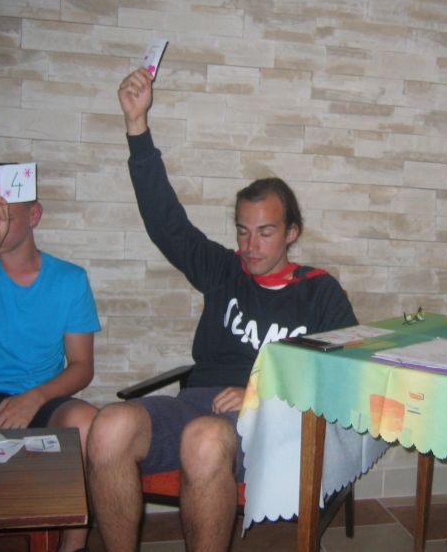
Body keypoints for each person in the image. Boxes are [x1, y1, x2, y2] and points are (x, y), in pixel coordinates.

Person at [87, 67, 357, 552]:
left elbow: (344, 373)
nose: (251, 246)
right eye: (243, 231)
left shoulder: (319, 291)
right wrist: (136, 126)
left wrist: (262, 389)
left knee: (205, 438)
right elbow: (166, 223)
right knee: (109, 426)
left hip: (270, 421)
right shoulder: (223, 270)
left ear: (292, 232)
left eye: (266, 232)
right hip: (198, 403)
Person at [0, 163, 100, 552]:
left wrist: (35, 397)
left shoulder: (69, 279)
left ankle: (73, 546)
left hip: (40, 395)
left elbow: (82, 366)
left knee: (87, 422)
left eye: (4, 215)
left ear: (34, 215)